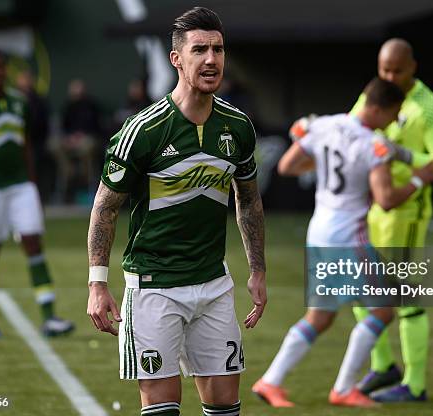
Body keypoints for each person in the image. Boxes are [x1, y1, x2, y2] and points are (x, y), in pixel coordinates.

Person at [86, 7, 266, 416]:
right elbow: (105, 208)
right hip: (154, 288)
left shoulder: (238, 128)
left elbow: (249, 200)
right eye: (199, 49)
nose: (211, 60)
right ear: (176, 59)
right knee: (162, 409)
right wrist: (98, 283)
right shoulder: (143, 131)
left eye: (218, 49)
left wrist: (258, 269)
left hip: (213, 285)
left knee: (226, 410)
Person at [252, 78, 433, 408]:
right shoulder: (372, 144)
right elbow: (386, 199)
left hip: (319, 231)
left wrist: (323, 164)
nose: (394, 122)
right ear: (378, 109)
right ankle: (344, 388)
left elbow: (287, 165)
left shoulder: (324, 125)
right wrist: (418, 179)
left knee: (321, 317)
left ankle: (270, 381)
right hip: (348, 235)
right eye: (393, 114)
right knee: (385, 308)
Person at [349, 38, 433, 403]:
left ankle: (416, 385)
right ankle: (383, 367)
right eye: (384, 69)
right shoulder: (374, 95)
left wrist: (402, 154)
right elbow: (350, 130)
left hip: (407, 214)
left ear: (414, 67)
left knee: (406, 300)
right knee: (360, 294)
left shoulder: (430, 110)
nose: (390, 76)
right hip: (372, 211)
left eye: (397, 70)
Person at [0, 49, 74, 341]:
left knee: (34, 244)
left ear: (6, 71)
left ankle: (49, 318)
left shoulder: (20, 103)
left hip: (20, 186)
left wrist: (32, 185)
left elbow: (25, 146)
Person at [49, 78, 101, 202]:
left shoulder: (91, 106)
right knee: (54, 145)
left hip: (87, 139)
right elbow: (63, 127)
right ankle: (68, 171)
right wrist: (69, 138)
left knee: (86, 147)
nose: (76, 93)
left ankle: (85, 178)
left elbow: (96, 127)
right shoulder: (68, 106)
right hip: (70, 141)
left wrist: (80, 136)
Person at [15, 70, 54, 203]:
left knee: (35, 172)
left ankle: (37, 198)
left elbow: (42, 123)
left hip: (35, 143)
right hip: (16, 144)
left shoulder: (38, 100)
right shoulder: (14, 100)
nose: (25, 83)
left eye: (28, 79)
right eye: (23, 79)